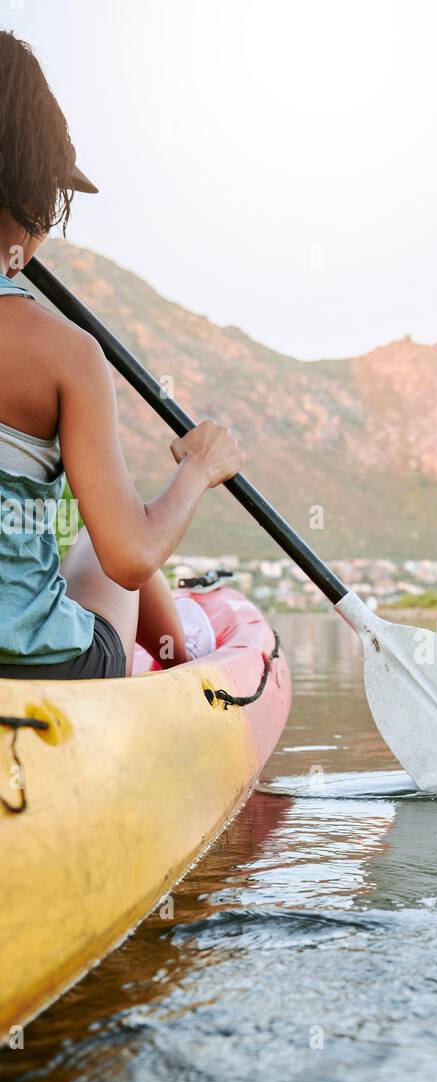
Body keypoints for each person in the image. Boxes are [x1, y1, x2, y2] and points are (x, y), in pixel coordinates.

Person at [0, 31, 242, 679]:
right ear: (38, 198)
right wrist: (198, 469)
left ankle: (182, 662)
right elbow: (130, 558)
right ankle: (185, 677)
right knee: (102, 536)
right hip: (40, 670)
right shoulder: (64, 353)